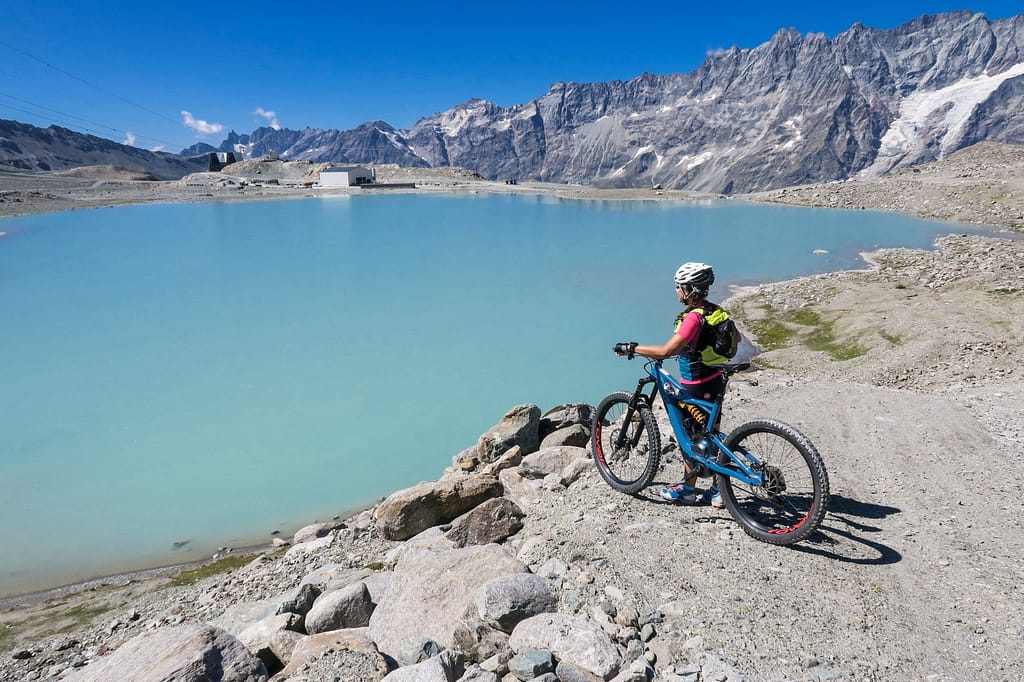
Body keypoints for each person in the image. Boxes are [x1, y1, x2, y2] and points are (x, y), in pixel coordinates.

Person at [614, 261, 727, 507]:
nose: (676, 291)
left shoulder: (694, 318)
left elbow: (666, 350)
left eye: (678, 286)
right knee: (711, 435)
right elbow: (735, 338)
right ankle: (719, 492)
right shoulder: (715, 311)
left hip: (695, 383)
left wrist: (632, 348)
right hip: (715, 378)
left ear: (689, 288)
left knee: (690, 436)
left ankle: (687, 490)